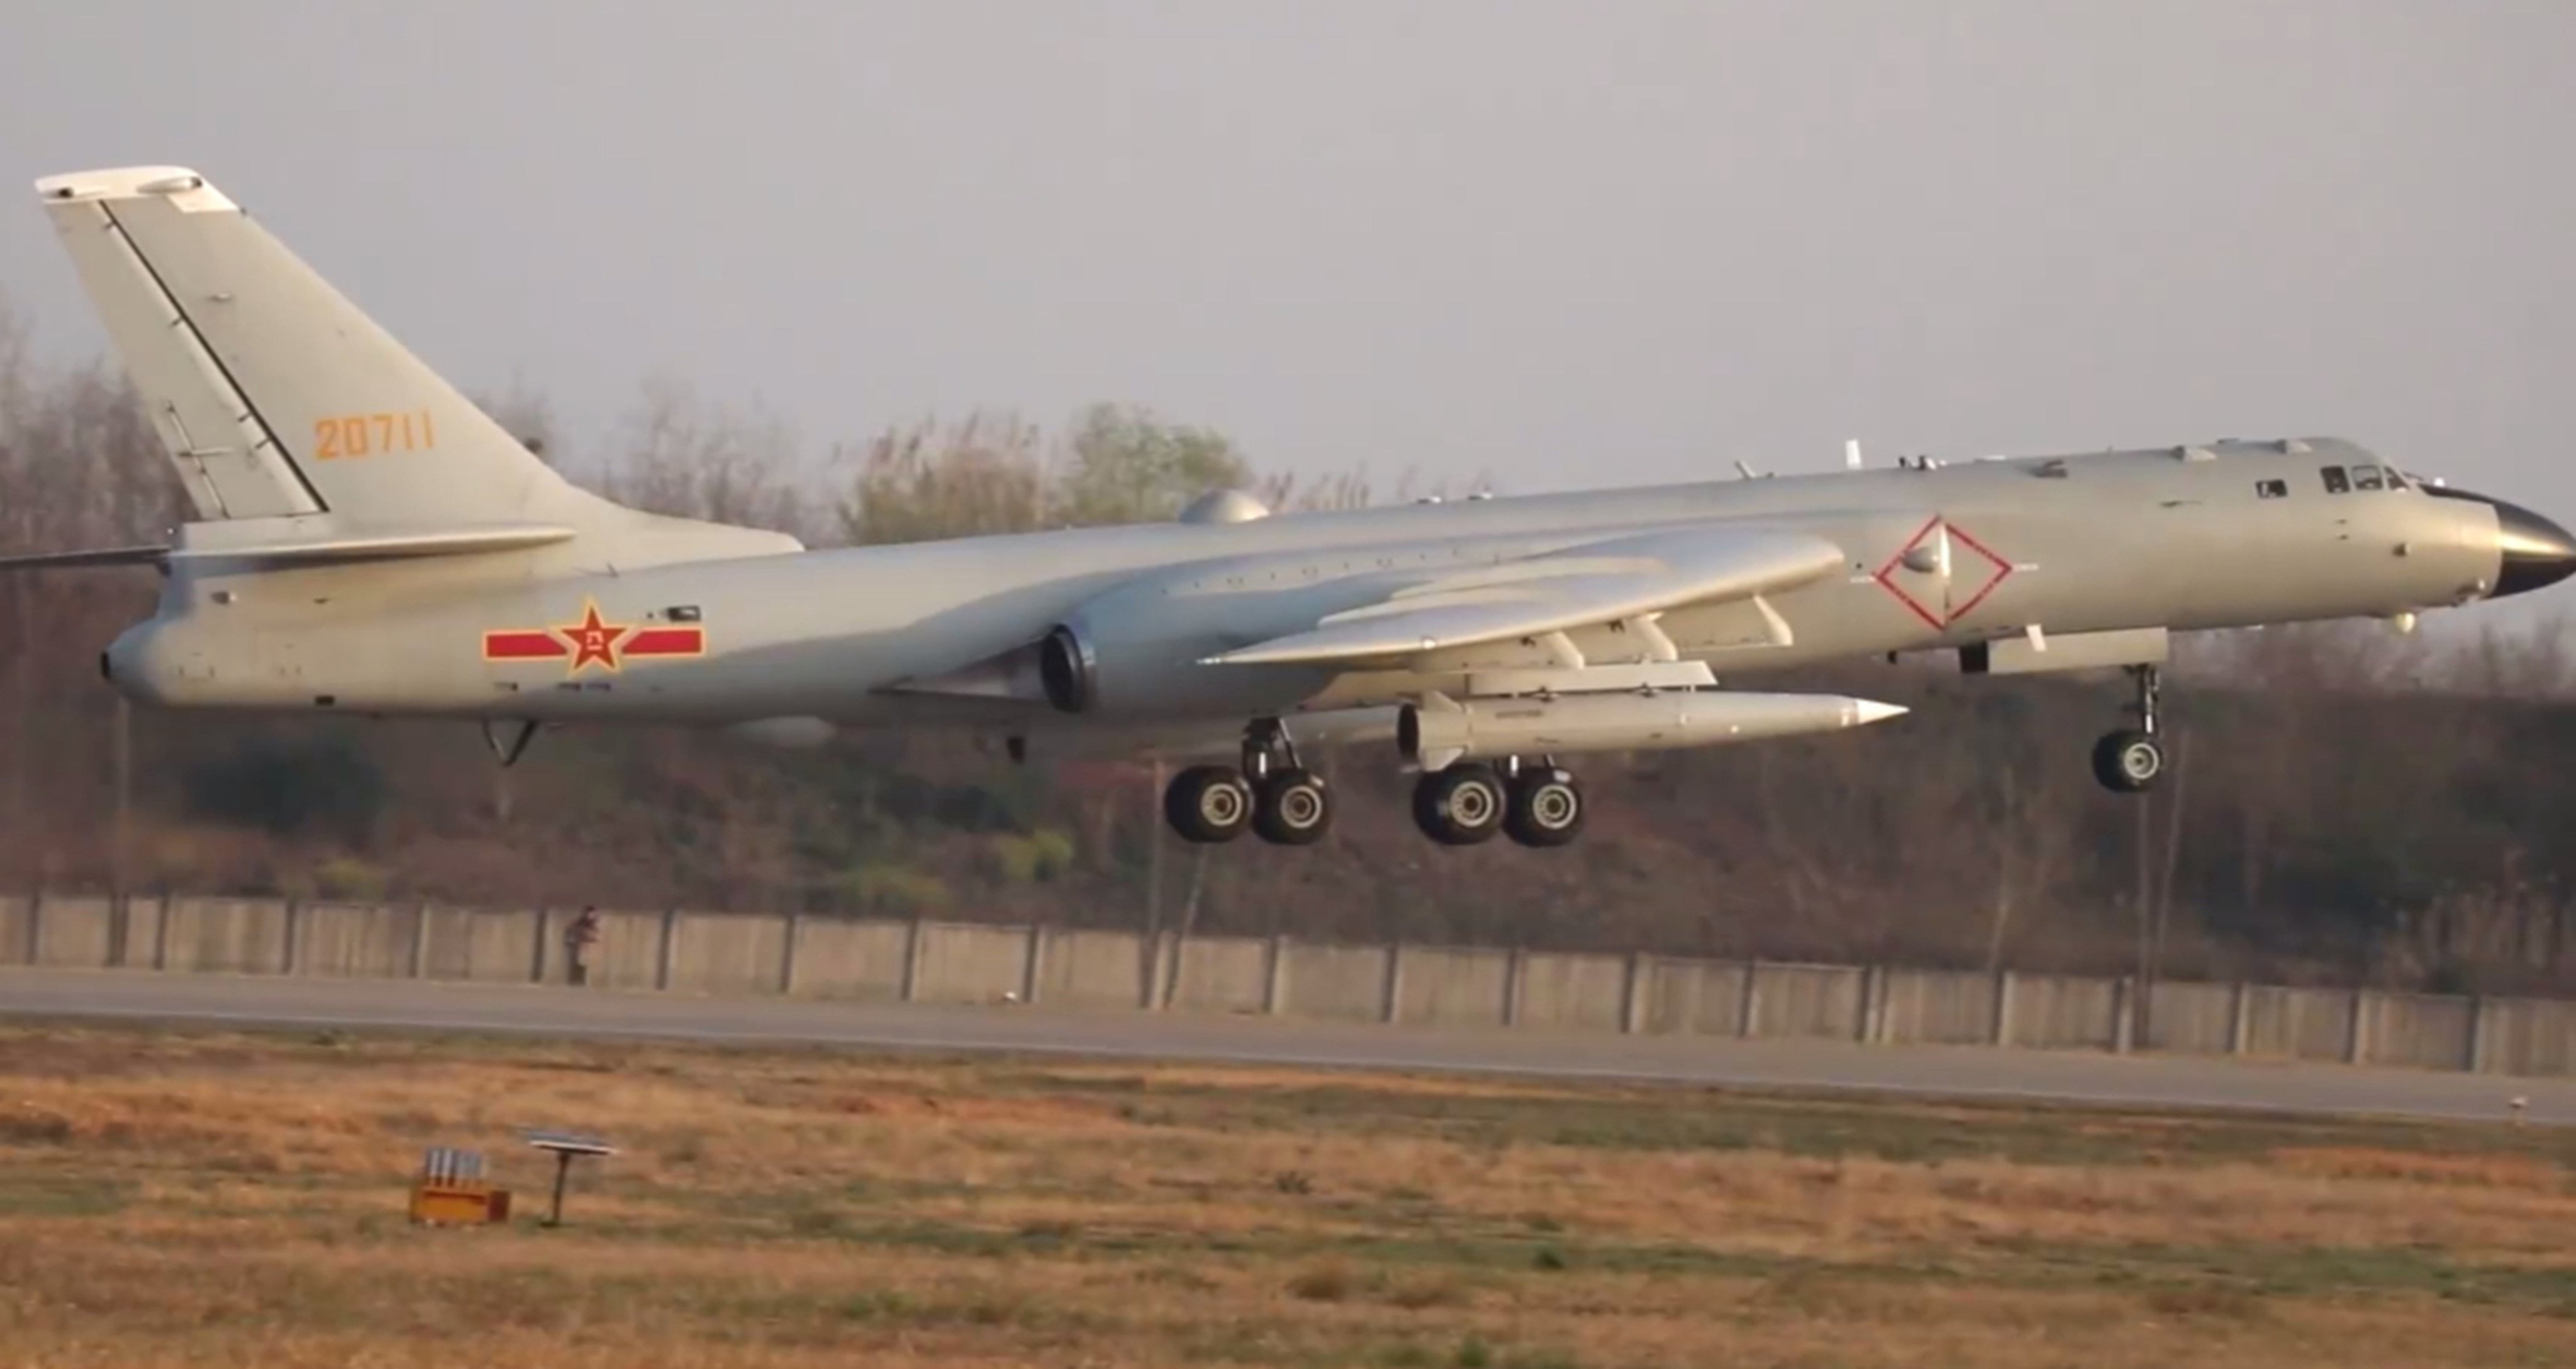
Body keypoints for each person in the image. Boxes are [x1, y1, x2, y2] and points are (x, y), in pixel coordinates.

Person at [564, 906, 603, 986]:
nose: (592, 916)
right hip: (580, 944)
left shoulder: (592, 923)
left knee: (583, 963)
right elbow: (576, 932)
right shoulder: (580, 923)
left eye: (593, 914)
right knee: (579, 963)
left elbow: (594, 934)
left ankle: (580, 981)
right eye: (591, 914)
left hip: (585, 945)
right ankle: (576, 981)